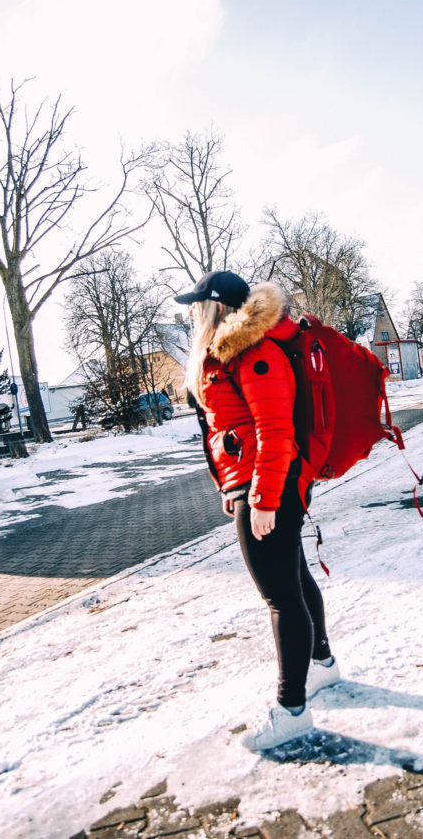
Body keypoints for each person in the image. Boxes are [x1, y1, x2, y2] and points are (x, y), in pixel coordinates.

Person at [175, 270, 340, 751]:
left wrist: (263, 499)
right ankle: (323, 667)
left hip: (269, 485)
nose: (189, 314)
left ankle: (292, 712)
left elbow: (276, 432)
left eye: (195, 306)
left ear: (217, 307)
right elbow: (230, 430)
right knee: (296, 579)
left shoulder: (255, 354)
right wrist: (230, 485)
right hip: (253, 482)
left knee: (281, 600)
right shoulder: (229, 354)